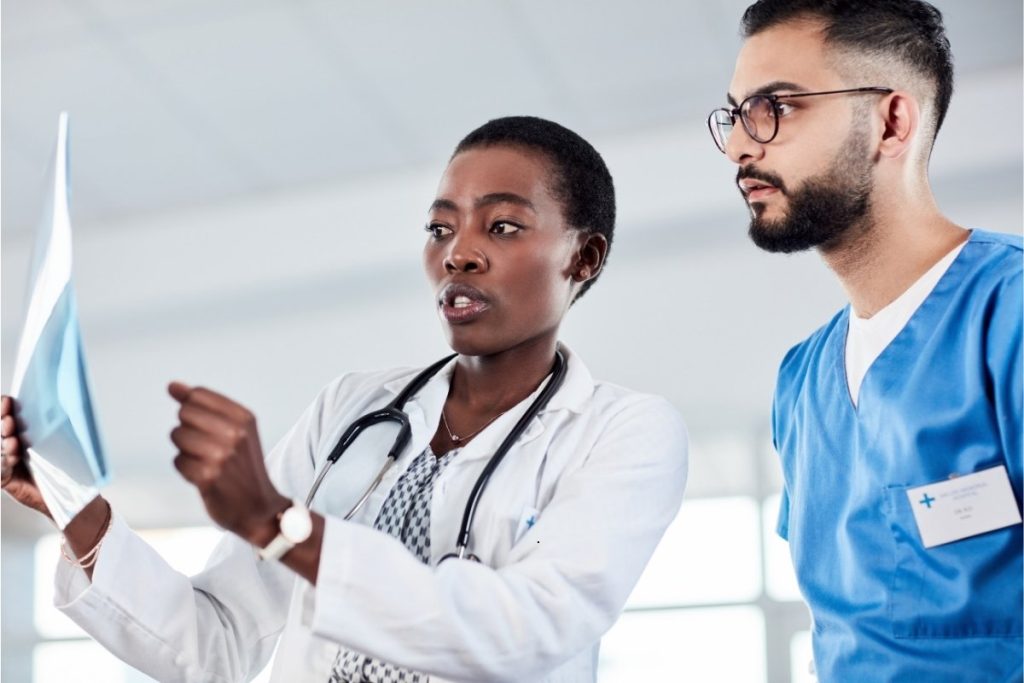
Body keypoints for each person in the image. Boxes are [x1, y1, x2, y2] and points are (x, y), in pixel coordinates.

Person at [1, 116, 688, 682]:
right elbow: (214, 644)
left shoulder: (625, 433)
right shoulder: (353, 408)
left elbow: (524, 630)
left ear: (584, 256)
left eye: (501, 226)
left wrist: (279, 522)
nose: (458, 254)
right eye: (440, 227)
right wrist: (74, 508)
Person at [706, 1, 1022, 680]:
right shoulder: (801, 380)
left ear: (891, 121)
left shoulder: (1009, 314)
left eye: (776, 108)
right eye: (734, 115)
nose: (739, 145)